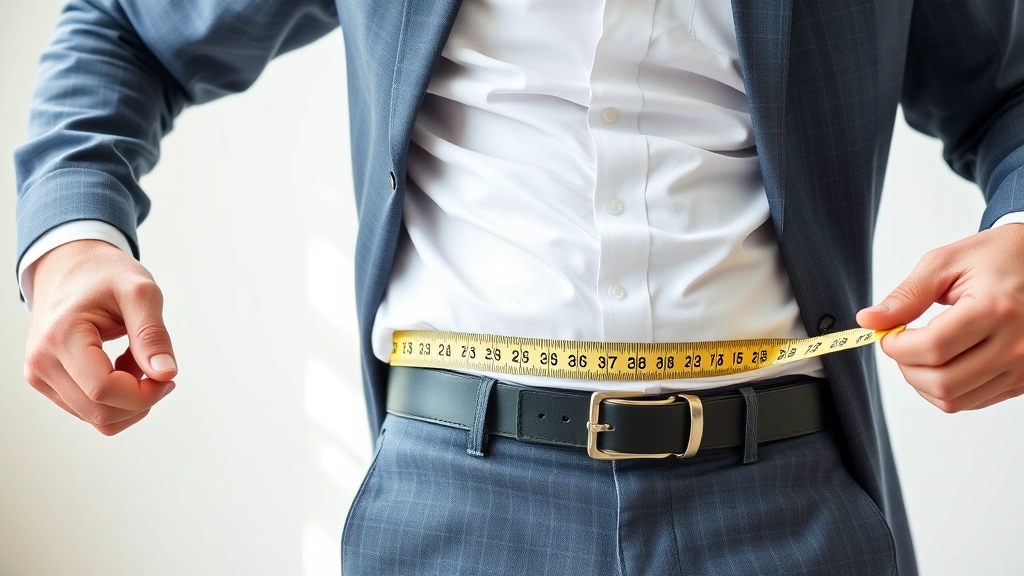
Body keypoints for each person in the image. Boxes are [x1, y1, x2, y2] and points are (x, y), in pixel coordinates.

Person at [14, 1, 1024, 574]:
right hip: (452, 510)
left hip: (788, 511)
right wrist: (72, 240)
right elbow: (130, 30)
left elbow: (1007, 95)